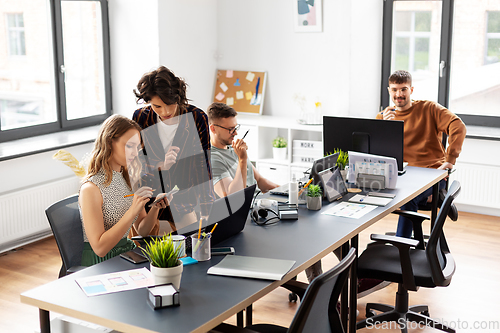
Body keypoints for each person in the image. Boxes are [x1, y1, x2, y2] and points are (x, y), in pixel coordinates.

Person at [207, 102, 322, 283]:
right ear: (213, 128)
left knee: (311, 226)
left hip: (262, 212)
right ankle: (318, 294)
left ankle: (340, 286)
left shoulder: (232, 149)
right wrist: (243, 160)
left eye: (236, 128)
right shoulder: (212, 159)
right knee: (305, 236)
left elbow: (261, 182)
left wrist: (289, 192)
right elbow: (232, 198)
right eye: (230, 129)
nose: (235, 133)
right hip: (246, 222)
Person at [377, 70, 466, 238]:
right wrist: (384, 127)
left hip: (431, 174)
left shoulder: (429, 109)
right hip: (403, 175)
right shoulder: (384, 116)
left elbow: (458, 126)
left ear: (411, 90)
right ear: (389, 90)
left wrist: (450, 160)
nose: (399, 94)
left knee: (408, 198)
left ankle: (401, 247)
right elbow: (377, 154)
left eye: (403, 89)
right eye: (395, 90)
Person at [132, 66, 215, 235]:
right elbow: (135, 163)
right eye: (157, 106)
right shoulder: (140, 118)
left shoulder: (197, 118)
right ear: (148, 101)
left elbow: (203, 166)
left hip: (182, 202)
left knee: (194, 245)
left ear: (178, 97)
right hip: (148, 202)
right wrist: (159, 165)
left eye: (170, 104)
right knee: (145, 256)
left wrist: (209, 209)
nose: (166, 111)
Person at [79, 115, 169, 266]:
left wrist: (155, 208)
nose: (135, 153)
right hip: (103, 262)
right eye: (129, 146)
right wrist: (133, 209)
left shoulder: (128, 179)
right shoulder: (91, 189)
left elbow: (142, 231)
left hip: (127, 255)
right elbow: (100, 248)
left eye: (137, 147)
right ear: (109, 142)